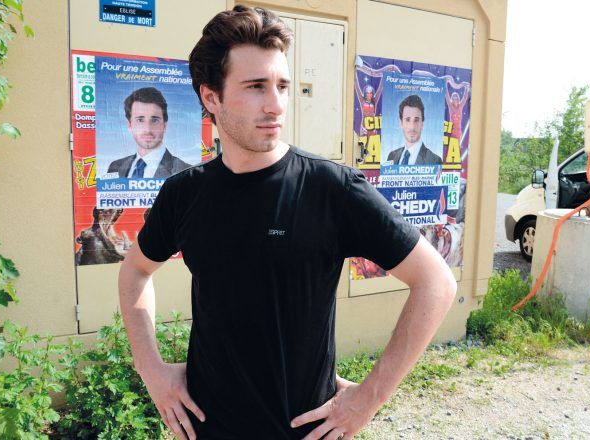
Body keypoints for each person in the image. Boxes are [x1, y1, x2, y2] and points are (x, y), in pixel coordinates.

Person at [118, 6, 456, 440]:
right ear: (211, 97)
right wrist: (151, 369)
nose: (276, 104)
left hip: (303, 431)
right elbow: (135, 271)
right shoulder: (184, 193)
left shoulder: (331, 188)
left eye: (282, 86)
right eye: (256, 86)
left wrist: (369, 397)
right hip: (207, 428)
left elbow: (435, 283)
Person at [107, 87, 191, 178]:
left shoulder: (186, 172)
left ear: (165, 126)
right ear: (129, 125)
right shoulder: (115, 167)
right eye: (140, 120)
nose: (147, 129)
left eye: (154, 120)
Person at [386, 94, 443, 166]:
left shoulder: (435, 161)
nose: (412, 127)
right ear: (401, 124)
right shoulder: (391, 156)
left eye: (416, 120)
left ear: (422, 124)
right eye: (407, 120)